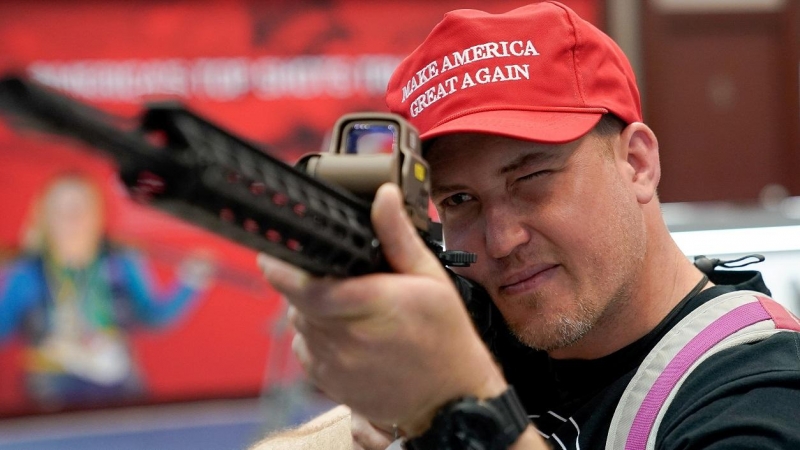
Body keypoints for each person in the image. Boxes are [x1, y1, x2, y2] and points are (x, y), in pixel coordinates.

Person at [253, 2, 800, 449]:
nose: (502, 238)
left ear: (637, 163)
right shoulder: (497, 335)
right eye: (460, 198)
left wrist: (461, 405)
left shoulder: (761, 395)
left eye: (532, 178)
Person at [0, 173, 212, 408]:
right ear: (45, 218)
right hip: (53, 389)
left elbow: (153, 317)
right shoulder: (26, 272)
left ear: (97, 215)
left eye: (80, 209)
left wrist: (190, 282)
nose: (72, 220)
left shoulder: (121, 262)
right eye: (61, 212)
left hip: (118, 383)